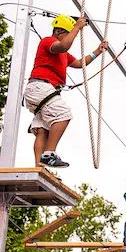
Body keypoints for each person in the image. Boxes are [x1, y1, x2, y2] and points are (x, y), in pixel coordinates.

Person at [22, 14, 108, 168]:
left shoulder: (64, 54)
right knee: (63, 114)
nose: (71, 38)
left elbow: (80, 63)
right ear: (58, 32)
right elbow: (64, 46)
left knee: (43, 129)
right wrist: (77, 27)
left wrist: (98, 51)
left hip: (41, 90)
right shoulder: (48, 42)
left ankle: (39, 166)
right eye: (68, 34)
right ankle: (49, 154)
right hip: (40, 87)